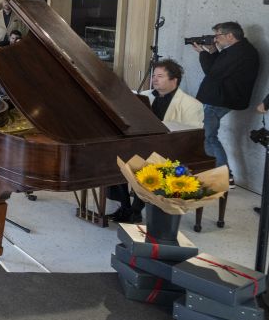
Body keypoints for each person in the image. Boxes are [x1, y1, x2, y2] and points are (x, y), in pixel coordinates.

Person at [108, 59, 204, 223]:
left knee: (149, 166)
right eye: (154, 76)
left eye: (160, 76)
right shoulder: (144, 97)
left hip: (173, 151)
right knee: (114, 160)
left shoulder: (191, 105)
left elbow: (193, 136)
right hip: (144, 145)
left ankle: (136, 210)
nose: (154, 79)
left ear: (174, 80)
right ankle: (126, 207)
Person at [193, 21, 259, 188]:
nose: (216, 39)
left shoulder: (241, 53)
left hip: (220, 100)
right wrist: (213, 51)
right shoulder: (236, 50)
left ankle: (223, 177)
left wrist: (202, 53)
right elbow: (218, 67)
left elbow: (212, 72)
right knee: (208, 136)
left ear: (230, 36)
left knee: (208, 137)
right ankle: (220, 175)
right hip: (219, 98)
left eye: (218, 36)